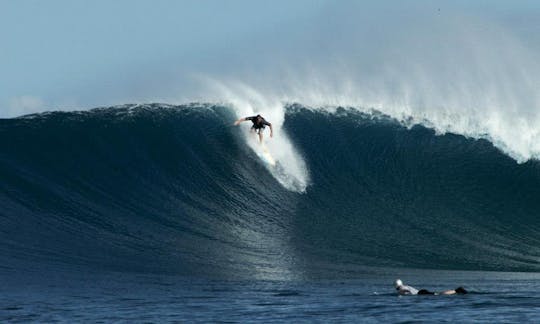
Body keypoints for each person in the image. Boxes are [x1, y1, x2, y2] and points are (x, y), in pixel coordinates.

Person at [394, 279, 468, 296]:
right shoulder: (406, 285)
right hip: (421, 292)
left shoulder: (401, 288)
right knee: (438, 294)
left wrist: (403, 292)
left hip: (421, 293)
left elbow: (405, 290)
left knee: (439, 294)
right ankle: (456, 291)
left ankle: (457, 290)